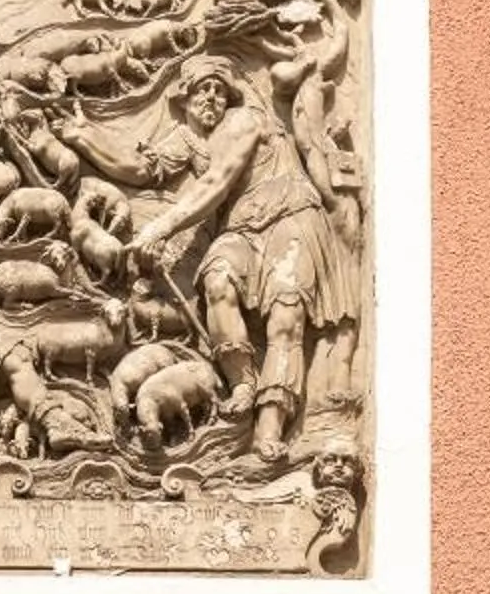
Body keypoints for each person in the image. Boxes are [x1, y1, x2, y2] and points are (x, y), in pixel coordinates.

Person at [125, 56, 349, 462]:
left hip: (291, 216)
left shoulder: (243, 120)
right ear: (184, 99)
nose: (211, 97)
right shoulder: (190, 143)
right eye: (201, 89)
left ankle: (269, 428)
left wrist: (159, 229)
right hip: (242, 227)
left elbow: (217, 181)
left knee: (286, 317)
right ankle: (241, 381)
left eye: (219, 89)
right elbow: (141, 168)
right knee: (217, 279)